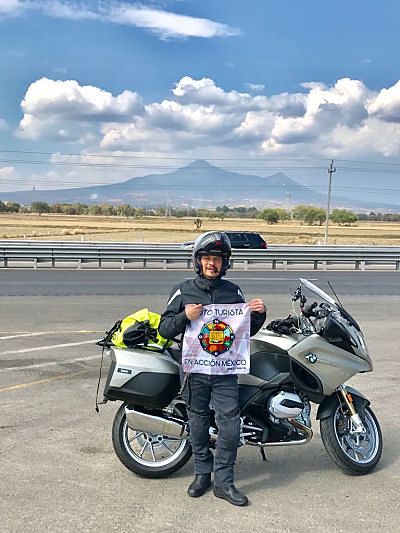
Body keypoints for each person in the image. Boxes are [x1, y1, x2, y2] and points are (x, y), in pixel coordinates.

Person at [158, 231, 266, 506]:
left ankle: (224, 481)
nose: (211, 263)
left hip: (225, 371)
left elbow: (245, 331)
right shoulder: (183, 290)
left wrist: (258, 314)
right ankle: (201, 473)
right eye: (206, 258)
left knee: (229, 426)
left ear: (225, 262)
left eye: (217, 258)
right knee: (197, 423)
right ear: (198, 261)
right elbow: (164, 328)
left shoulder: (233, 291)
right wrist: (185, 316)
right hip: (194, 371)